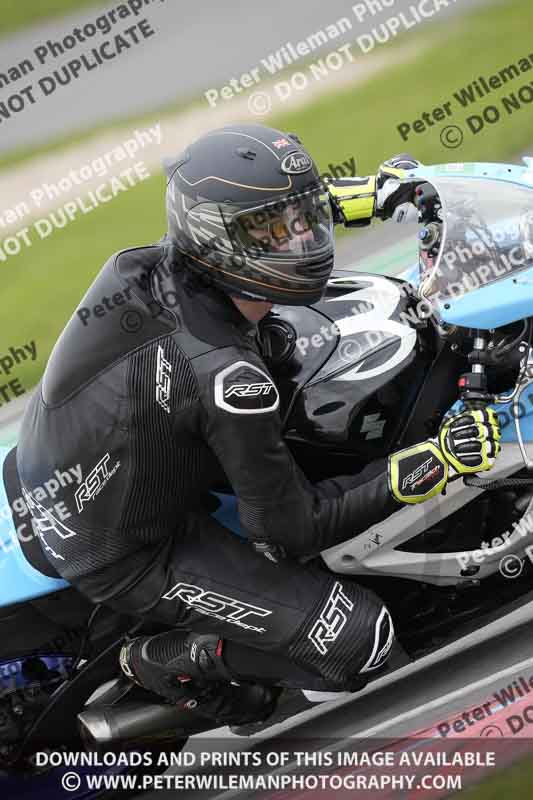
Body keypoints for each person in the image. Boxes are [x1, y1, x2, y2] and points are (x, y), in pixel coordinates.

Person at [16, 124, 501, 727]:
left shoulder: (144, 266)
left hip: (77, 458)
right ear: (216, 239)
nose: (300, 239)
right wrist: (434, 462)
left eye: (302, 217)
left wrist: (363, 197)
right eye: (276, 228)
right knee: (359, 637)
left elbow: (247, 235)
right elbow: (292, 530)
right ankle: (155, 660)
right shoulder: (228, 379)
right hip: (126, 548)